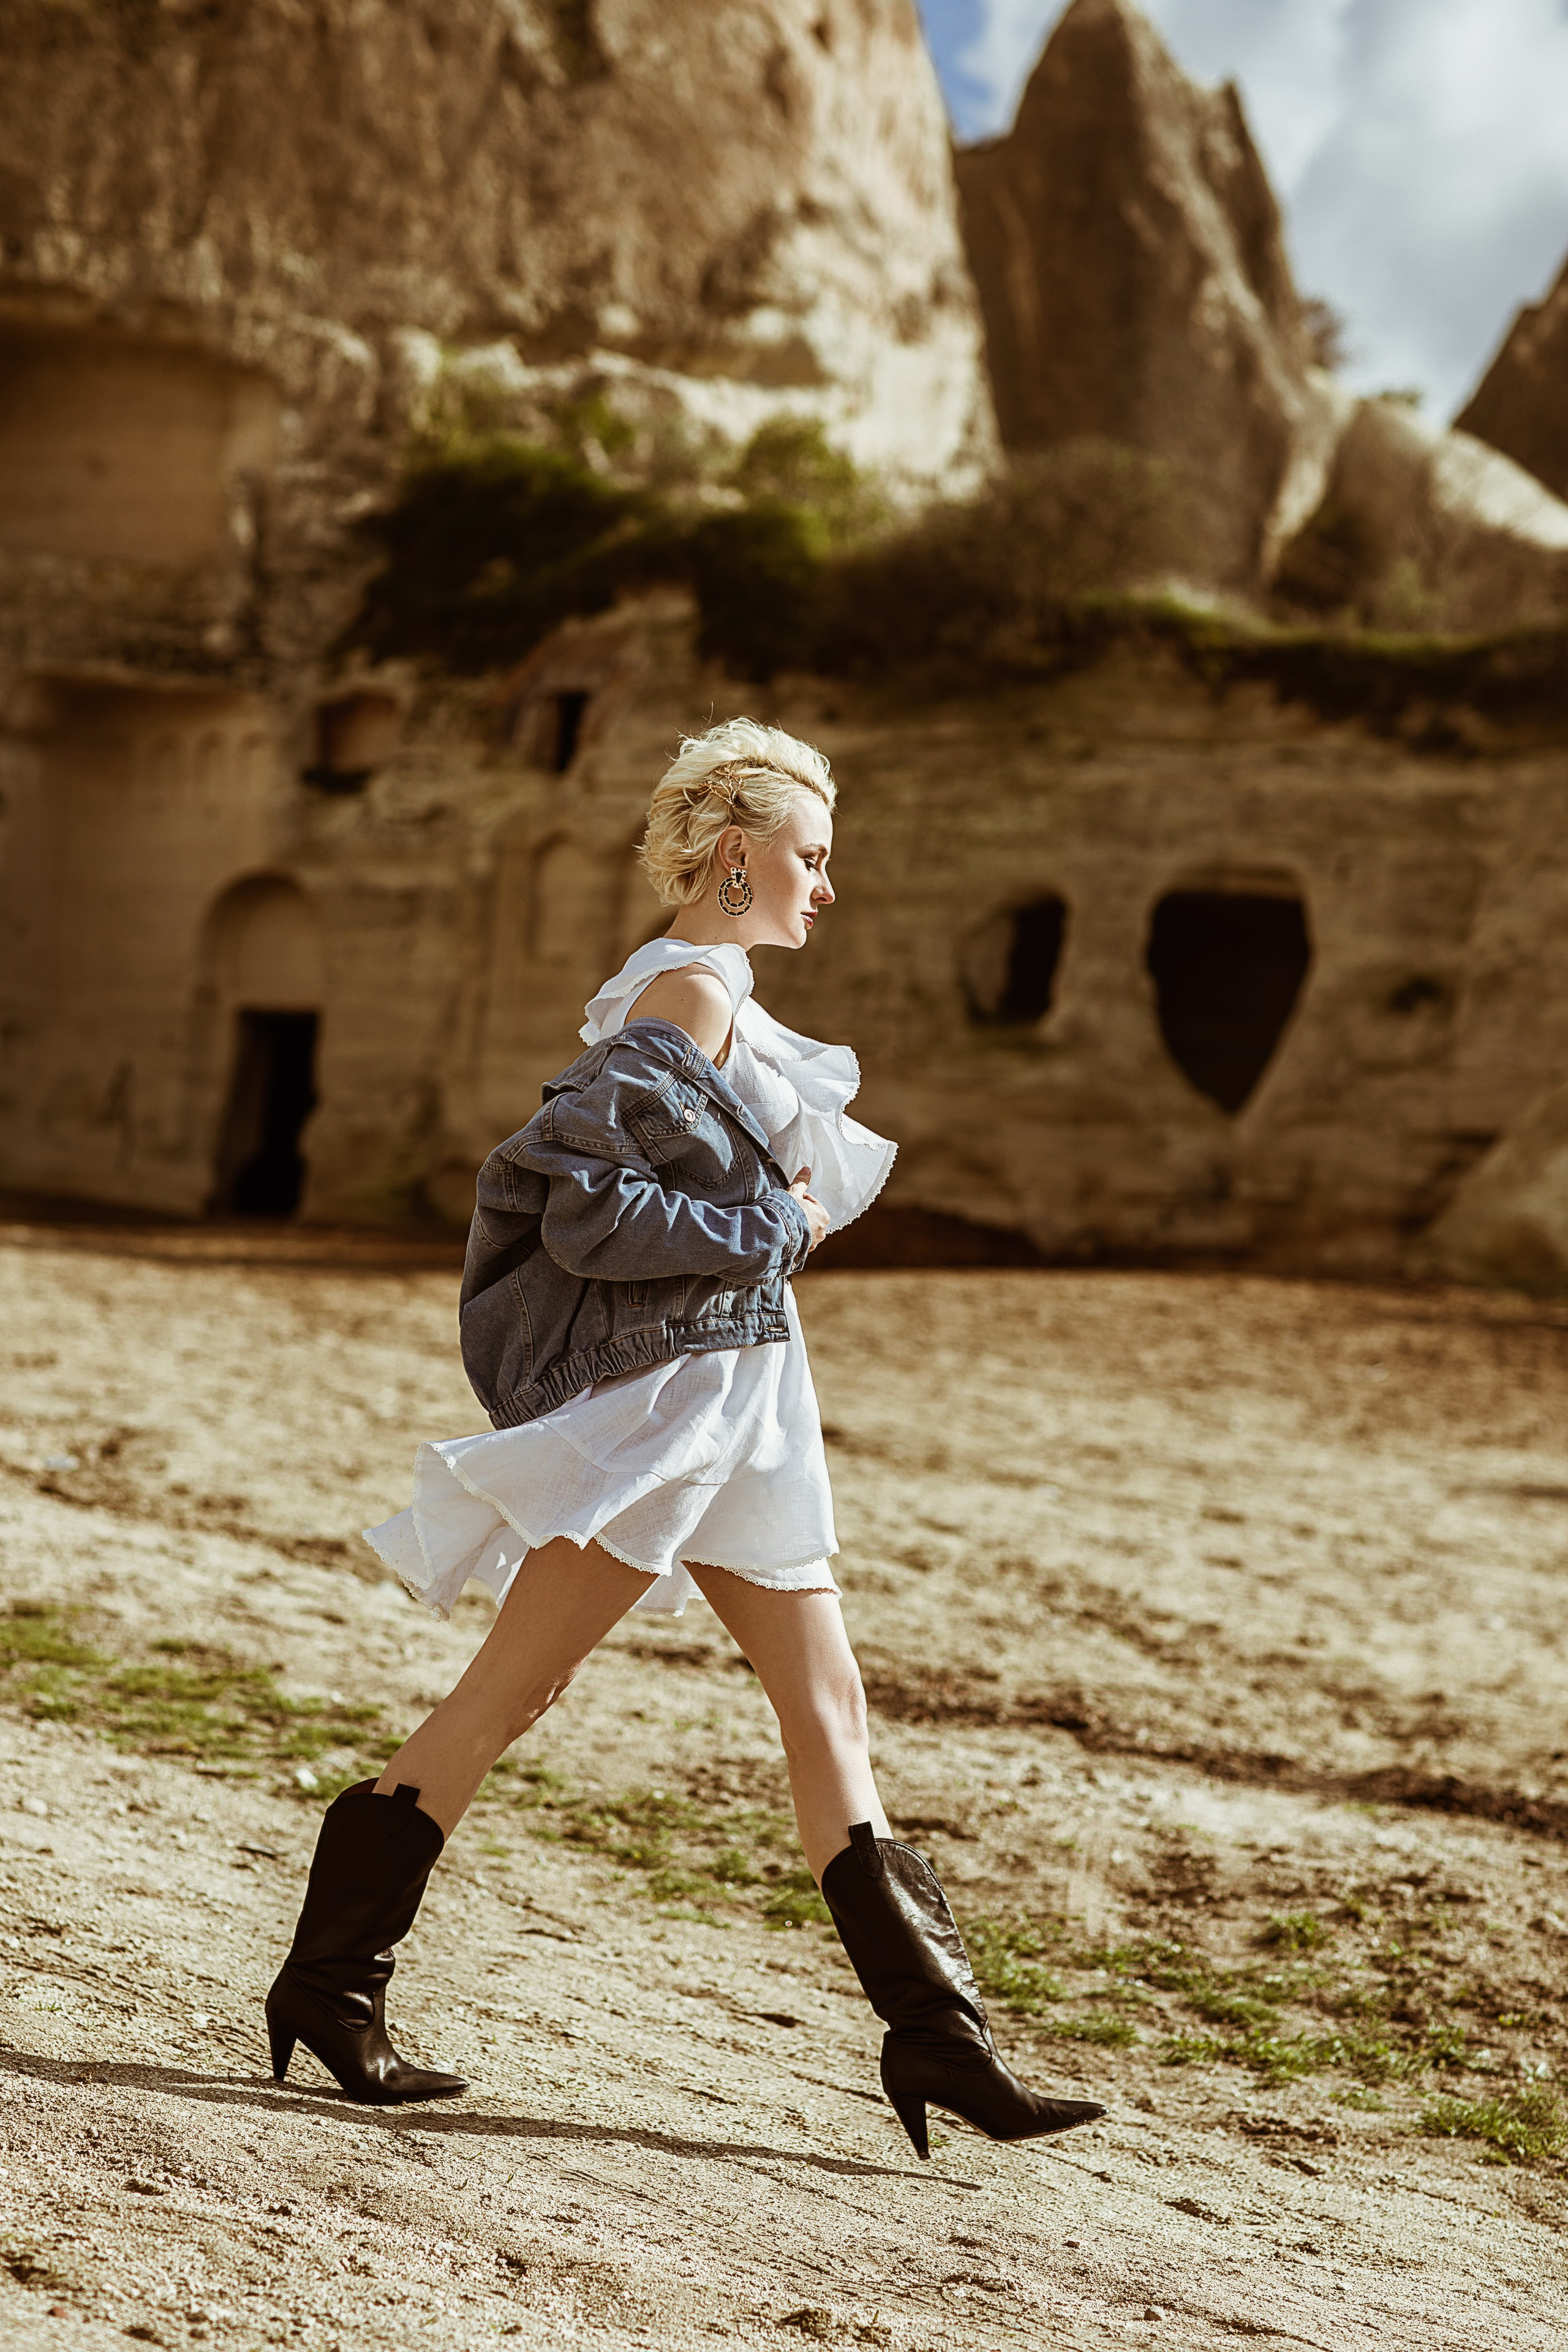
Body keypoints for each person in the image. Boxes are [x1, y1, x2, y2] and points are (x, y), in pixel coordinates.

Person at [265, 718, 1102, 2159]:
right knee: (509, 1695)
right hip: (674, 1415)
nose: (826, 888)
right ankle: (332, 1981)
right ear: (735, 854)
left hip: (746, 1405)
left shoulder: (713, 996)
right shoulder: (687, 995)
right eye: (811, 857)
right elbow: (576, 1202)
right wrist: (772, 1224)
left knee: (827, 1708)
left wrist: (766, 1237)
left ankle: (943, 2040)